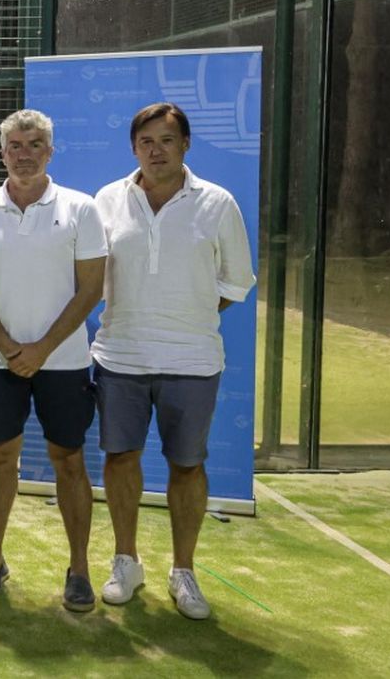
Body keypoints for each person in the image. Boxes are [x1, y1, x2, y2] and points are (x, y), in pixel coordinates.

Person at [93, 102, 256, 621]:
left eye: (166, 140)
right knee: (120, 459)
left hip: (193, 360)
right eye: (145, 141)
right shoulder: (107, 200)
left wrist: (188, 314)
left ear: (185, 145)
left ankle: (183, 570)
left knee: (187, 466)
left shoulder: (218, 203)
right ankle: (126, 561)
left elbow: (237, 280)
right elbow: (91, 275)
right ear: (133, 148)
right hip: (120, 356)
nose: (155, 150)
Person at [0, 109, 106, 612]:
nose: (24, 153)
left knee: (69, 461)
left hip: (63, 363)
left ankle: (79, 568)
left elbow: (90, 290)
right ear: (3, 154)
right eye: (15, 145)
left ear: (50, 151)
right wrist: (8, 348)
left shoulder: (82, 209)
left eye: (34, 144)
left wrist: (41, 350)